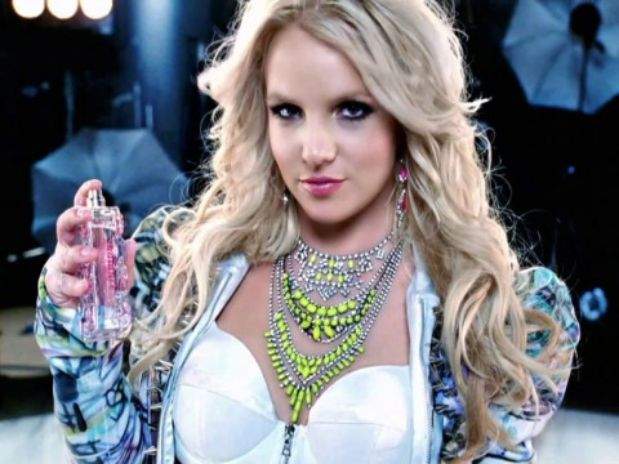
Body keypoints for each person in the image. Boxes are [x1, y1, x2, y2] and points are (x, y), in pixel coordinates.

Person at [34, 1, 581, 463]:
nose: (314, 150)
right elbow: (116, 454)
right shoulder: (185, 270)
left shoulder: (480, 316)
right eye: (288, 111)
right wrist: (82, 328)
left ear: (406, 115)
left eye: (351, 110)